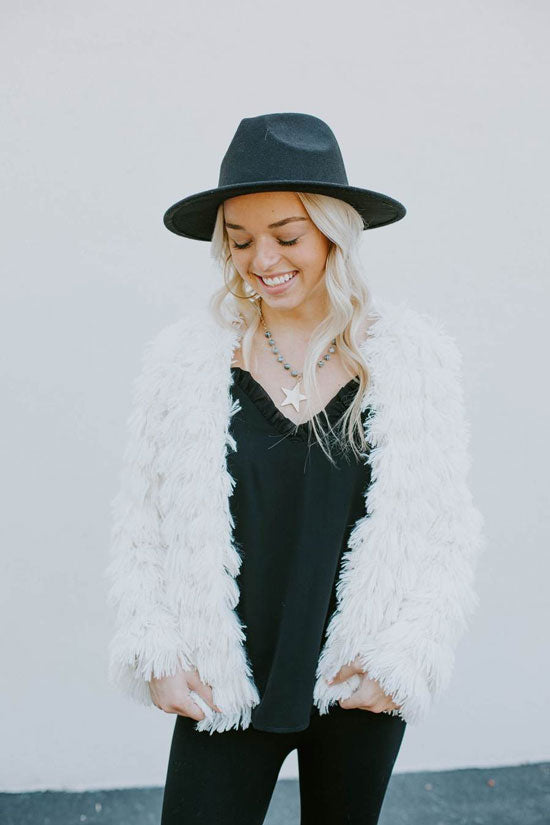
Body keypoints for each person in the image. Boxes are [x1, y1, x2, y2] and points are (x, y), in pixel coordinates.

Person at [105, 113, 486, 825]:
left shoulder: (413, 360)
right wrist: (155, 649)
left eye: (286, 235)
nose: (263, 260)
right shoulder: (185, 363)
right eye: (240, 240)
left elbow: (446, 531)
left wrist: (403, 659)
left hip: (352, 680)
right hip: (227, 682)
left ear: (333, 233)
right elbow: (142, 525)